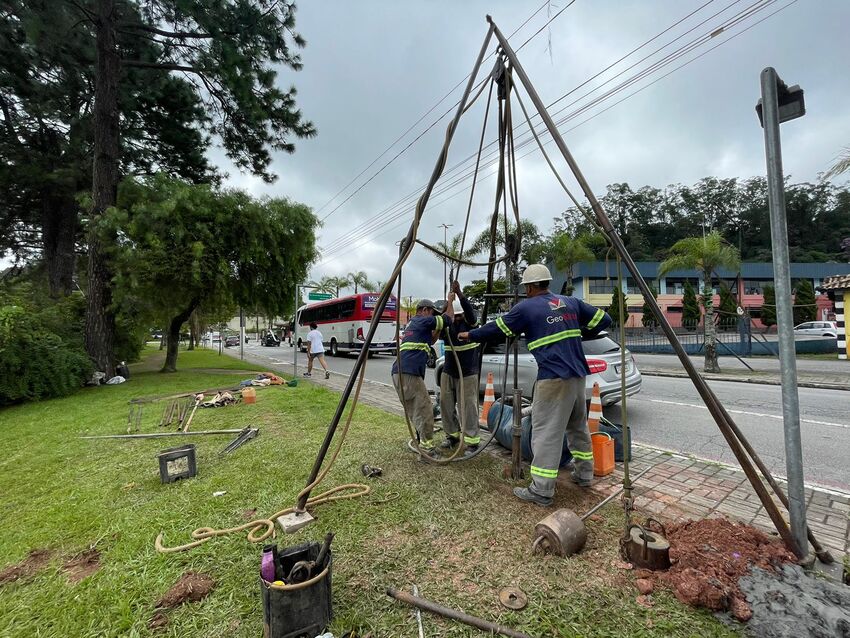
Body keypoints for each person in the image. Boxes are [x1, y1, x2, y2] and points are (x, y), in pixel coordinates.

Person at [459, 264, 611, 506]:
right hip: (577, 377)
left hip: (553, 378)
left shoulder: (527, 307)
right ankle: (584, 474)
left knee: (546, 434)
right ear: (547, 283)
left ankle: (541, 490)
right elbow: (605, 319)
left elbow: (497, 329)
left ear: (529, 287)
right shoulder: (570, 302)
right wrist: (578, 331)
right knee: (577, 427)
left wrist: (470, 335)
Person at [392, 297, 454, 461]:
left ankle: (423, 443)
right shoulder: (422, 320)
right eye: (432, 313)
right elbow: (448, 319)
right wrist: (450, 300)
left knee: (416, 410)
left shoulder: (415, 324)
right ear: (425, 310)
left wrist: (439, 327)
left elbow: (432, 339)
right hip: (408, 373)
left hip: (400, 373)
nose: (433, 316)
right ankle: (427, 452)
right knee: (425, 409)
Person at [439, 281, 481, 455]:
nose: (456, 319)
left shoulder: (470, 323)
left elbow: (471, 314)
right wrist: (448, 302)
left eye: (458, 316)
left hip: (467, 373)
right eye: (454, 316)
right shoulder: (446, 327)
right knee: (445, 404)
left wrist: (459, 293)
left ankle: (472, 442)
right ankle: (452, 435)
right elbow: (440, 321)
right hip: (449, 371)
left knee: (468, 407)